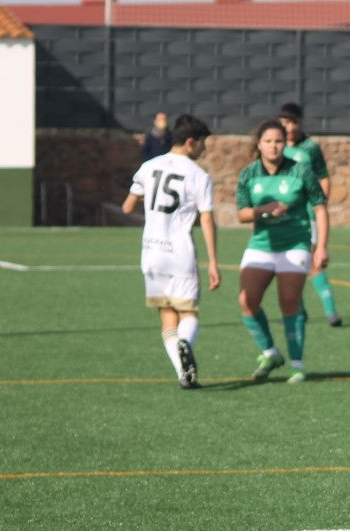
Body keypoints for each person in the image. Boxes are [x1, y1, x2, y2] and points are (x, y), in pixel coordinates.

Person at [122, 113, 220, 389]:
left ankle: (183, 374)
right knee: (188, 314)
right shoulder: (198, 176)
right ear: (190, 143)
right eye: (202, 144)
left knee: (167, 315)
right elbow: (207, 220)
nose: (204, 150)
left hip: (151, 251)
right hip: (180, 252)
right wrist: (213, 262)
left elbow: (127, 207)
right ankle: (186, 344)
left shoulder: (148, 166)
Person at [235, 119, 329, 384]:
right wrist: (262, 210)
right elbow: (241, 214)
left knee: (289, 302)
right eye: (268, 141)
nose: (274, 146)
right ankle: (270, 352)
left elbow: (320, 208)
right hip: (261, 243)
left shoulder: (300, 172)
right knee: (247, 300)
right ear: (259, 144)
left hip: (295, 243)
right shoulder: (249, 174)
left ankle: (297, 364)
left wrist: (320, 246)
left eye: (278, 141)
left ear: (284, 143)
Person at [279, 102, 342, 327]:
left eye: (293, 122)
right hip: (284, 216)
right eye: (285, 122)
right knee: (290, 265)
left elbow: (323, 175)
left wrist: (321, 201)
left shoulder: (310, 147)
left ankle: (331, 312)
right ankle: (299, 312)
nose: (290, 127)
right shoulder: (276, 148)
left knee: (313, 261)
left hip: (308, 214)